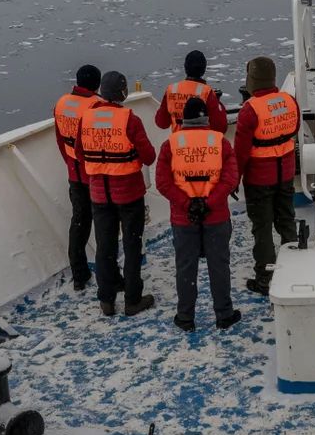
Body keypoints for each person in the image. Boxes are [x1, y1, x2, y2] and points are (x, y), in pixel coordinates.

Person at [75, 70, 158, 316]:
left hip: (99, 194)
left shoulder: (86, 118)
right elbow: (149, 156)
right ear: (123, 92)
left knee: (105, 247)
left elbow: (80, 154)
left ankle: (107, 300)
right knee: (132, 246)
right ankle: (133, 300)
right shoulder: (129, 119)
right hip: (129, 194)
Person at [156, 97, 242, 330]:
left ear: (184, 119)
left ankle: (185, 317)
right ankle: (224, 314)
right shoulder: (220, 142)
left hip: (184, 219)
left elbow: (163, 183)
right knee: (219, 266)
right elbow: (230, 178)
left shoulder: (170, 145)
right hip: (216, 216)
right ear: (206, 118)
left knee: (185, 267)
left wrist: (188, 204)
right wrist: (209, 203)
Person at [233, 56, 300, 295]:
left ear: (251, 80)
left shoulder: (250, 110)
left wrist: (233, 179)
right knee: (286, 220)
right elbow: (295, 129)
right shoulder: (289, 101)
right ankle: (294, 269)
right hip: (286, 173)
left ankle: (265, 278)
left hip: (260, 179)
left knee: (262, 230)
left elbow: (240, 153)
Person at [53, 65, 103, 292]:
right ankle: (108, 275)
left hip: (73, 172)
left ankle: (79, 275)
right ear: (97, 84)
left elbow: (60, 139)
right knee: (105, 226)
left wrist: (70, 165)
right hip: (95, 174)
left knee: (79, 223)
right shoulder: (96, 106)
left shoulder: (62, 104)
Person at [153, 49, 227, 133]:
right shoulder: (207, 92)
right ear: (204, 70)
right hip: (201, 143)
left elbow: (161, 123)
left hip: (177, 144)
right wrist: (218, 102)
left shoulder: (172, 90)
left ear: (185, 67)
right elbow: (220, 127)